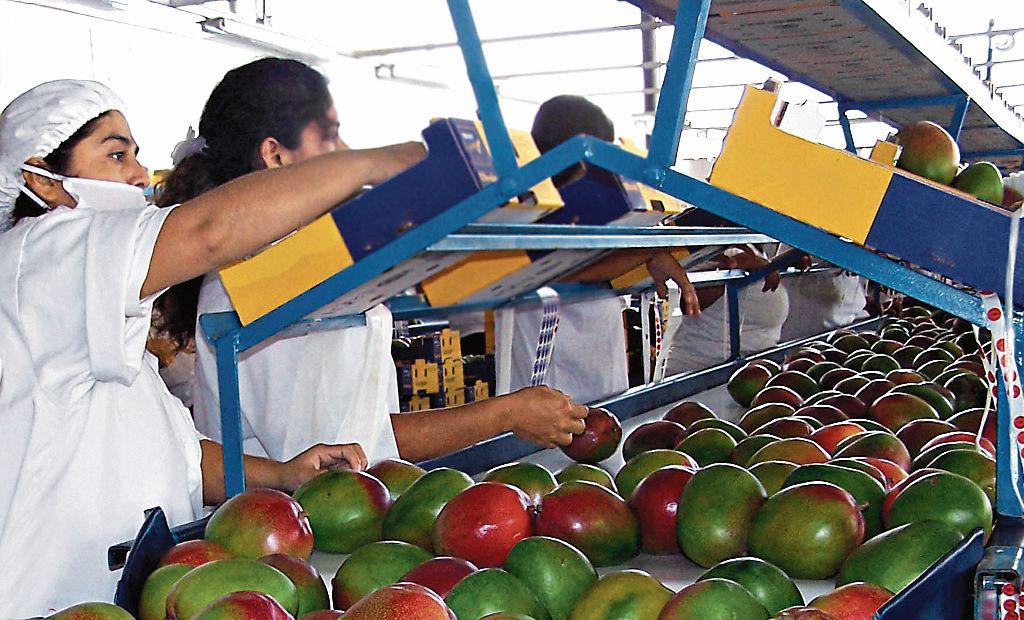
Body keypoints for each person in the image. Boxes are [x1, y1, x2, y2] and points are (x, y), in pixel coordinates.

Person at [0, 78, 430, 616]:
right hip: (56, 597)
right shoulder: (40, 259)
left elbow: (171, 455)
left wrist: (283, 475)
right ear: (43, 181)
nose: (137, 175)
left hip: (133, 595)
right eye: (115, 155)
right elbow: (209, 230)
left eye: (137, 155)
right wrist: (372, 166)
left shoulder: (92, 302)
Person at [157, 58, 587, 465]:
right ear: (275, 154)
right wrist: (505, 415)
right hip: (293, 522)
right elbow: (340, 453)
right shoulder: (258, 282)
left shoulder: (302, 263)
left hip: (339, 509)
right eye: (332, 136)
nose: (347, 152)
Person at [497, 95, 701, 403]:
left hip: (591, 339)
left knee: (600, 424)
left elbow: (599, 258)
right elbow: (565, 270)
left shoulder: (586, 197)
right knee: (551, 431)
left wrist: (652, 251)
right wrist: (649, 249)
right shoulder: (532, 200)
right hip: (550, 342)